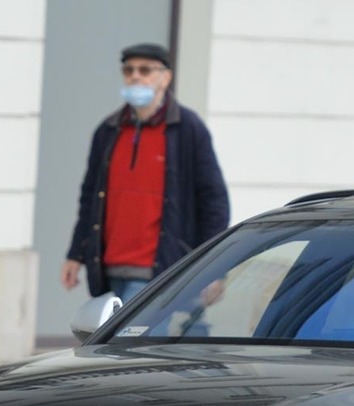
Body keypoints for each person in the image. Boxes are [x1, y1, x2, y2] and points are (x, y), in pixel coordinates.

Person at [62, 43, 231, 305]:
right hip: (109, 271)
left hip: (163, 271)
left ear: (166, 77)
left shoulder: (187, 129)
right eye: (128, 70)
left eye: (145, 70)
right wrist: (76, 254)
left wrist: (212, 268)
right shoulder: (108, 131)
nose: (135, 76)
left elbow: (214, 202)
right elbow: (89, 199)